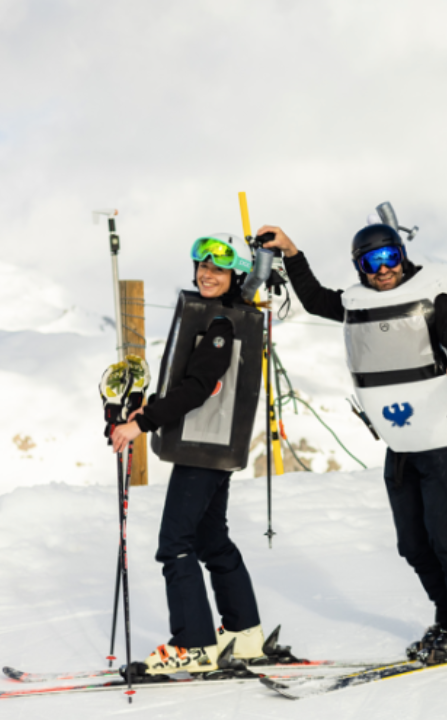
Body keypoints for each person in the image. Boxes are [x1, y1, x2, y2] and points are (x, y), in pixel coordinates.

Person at [257, 219, 447, 664]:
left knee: (446, 537)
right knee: (413, 543)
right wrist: (291, 251)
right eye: (372, 261)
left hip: (442, 433)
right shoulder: (358, 302)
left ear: (401, 256)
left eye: (390, 257)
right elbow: (312, 298)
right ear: (360, 267)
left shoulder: (433, 296)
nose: (383, 269)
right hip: (401, 439)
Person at [109, 235, 270, 675]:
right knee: (210, 539)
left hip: (203, 447)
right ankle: (244, 632)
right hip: (215, 445)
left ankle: (194, 645)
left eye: (217, 269)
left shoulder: (221, 323)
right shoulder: (227, 316)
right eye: (201, 266)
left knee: (175, 545)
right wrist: (152, 409)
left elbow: (200, 388)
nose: (205, 274)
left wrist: (140, 424)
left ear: (236, 275)